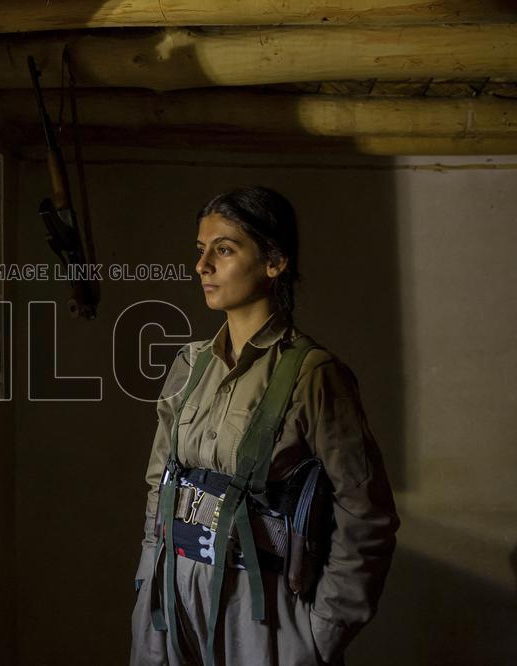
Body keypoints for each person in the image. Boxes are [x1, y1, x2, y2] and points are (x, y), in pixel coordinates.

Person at [130, 186, 398, 666]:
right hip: (170, 601)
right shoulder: (189, 367)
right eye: (201, 249)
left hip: (259, 612)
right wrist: (148, 583)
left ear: (274, 262)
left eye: (225, 249)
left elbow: (366, 514)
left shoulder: (314, 375)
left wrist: (321, 632)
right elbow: (159, 483)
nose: (203, 265)